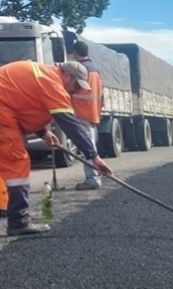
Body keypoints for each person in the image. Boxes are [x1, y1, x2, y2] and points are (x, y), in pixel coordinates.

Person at [0, 60, 113, 236]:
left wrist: (44, 133)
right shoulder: (53, 82)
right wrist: (93, 156)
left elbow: (21, 103)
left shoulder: (41, 74)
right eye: (75, 84)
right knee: (17, 164)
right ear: (67, 75)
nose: (74, 90)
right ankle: (19, 222)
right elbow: (69, 123)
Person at [70, 40, 105, 190]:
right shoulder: (95, 69)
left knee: (86, 147)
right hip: (92, 112)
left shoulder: (81, 69)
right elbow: (101, 93)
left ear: (75, 53)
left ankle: (92, 179)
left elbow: (72, 88)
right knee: (91, 145)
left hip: (81, 111)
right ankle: (96, 174)